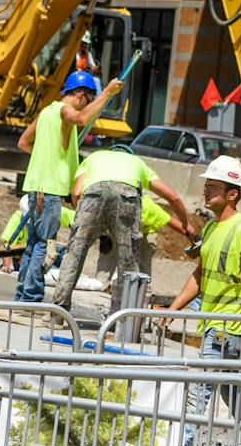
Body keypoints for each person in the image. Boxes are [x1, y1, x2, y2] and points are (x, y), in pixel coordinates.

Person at [167, 155, 241, 446]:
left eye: (213, 186)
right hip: (214, 327)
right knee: (237, 399)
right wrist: (174, 308)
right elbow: (200, 274)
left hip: (229, 331)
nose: (206, 191)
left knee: (198, 395)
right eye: (206, 185)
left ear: (232, 193)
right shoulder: (211, 228)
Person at [13, 70, 122, 302]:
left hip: (36, 189)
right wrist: (108, 93)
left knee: (33, 245)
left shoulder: (46, 112)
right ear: (81, 94)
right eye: (88, 100)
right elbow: (81, 119)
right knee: (44, 246)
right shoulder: (64, 110)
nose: (87, 105)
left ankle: (22, 295)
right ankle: (30, 298)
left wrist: (47, 156)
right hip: (49, 191)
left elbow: (23, 142)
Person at [54, 143, 190, 309]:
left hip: (93, 194)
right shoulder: (138, 163)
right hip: (126, 196)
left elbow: (76, 192)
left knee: (75, 253)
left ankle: (57, 313)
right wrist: (185, 223)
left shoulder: (93, 157)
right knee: (128, 262)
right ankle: (121, 320)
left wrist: (85, 219)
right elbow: (173, 197)